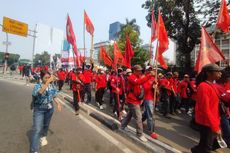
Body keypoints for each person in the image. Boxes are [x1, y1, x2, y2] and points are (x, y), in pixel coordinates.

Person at [191, 64, 222, 153]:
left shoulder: (213, 85)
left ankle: (195, 150)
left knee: (204, 144)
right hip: (206, 122)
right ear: (209, 73)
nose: (220, 73)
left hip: (212, 120)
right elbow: (206, 109)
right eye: (218, 71)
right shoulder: (203, 86)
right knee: (207, 147)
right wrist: (215, 127)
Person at [121, 65, 154, 142]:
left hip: (136, 100)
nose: (140, 71)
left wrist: (152, 83)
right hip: (132, 101)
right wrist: (149, 75)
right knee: (138, 117)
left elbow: (143, 86)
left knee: (130, 114)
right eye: (139, 70)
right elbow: (138, 82)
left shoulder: (139, 77)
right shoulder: (131, 77)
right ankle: (139, 134)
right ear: (134, 71)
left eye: (141, 70)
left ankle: (123, 126)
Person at [30, 70, 62, 153]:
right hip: (39, 109)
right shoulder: (38, 86)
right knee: (37, 129)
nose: (48, 79)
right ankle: (34, 150)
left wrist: (58, 104)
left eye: (49, 77)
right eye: (46, 78)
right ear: (41, 78)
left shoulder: (52, 86)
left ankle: (43, 136)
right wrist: (47, 82)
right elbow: (39, 93)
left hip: (49, 109)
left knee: (46, 125)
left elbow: (54, 96)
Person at [142, 66, 158, 139]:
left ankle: (140, 121)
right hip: (148, 98)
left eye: (152, 70)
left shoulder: (154, 79)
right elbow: (145, 88)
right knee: (150, 114)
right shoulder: (144, 78)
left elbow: (156, 90)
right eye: (149, 70)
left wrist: (156, 87)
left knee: (147, 113)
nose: (151, 71)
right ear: (146, 71)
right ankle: (151, 130)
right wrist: (152, 85)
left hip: (153, 98)